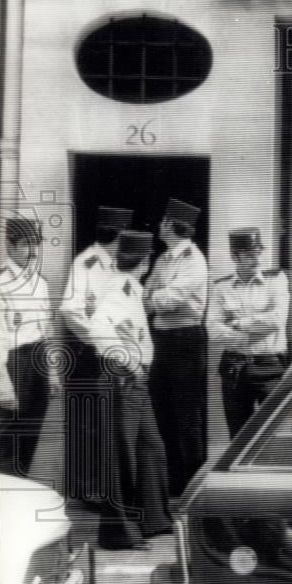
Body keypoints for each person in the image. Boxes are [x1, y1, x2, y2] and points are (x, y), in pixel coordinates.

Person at [88, 230, 171, 550]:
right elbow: (97, 328)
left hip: (134, 381)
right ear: (144, 261)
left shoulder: (132, 288)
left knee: (152, 448)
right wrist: (129, 362)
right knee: (120, 457)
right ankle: (117, 534)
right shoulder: (116, 288)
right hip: (121, 378)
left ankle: (155, 520)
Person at [59, 205, 133, 501]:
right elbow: (70, 309)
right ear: (117, 234)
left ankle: (102, 489)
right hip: (91, 352)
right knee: (88, 422)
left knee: (106, 422)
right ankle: (87, 491)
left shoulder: (116, 264)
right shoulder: (86, 263)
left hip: (110, 352)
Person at [144, 198, 208, 497]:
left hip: (186, 341)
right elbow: (150, 294)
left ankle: (193, 488)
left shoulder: (195, 260)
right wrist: (157, 298)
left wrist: (156, 299)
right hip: (161, 341)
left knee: (188, 418)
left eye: (162, 221)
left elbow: (173, 298)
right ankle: (171, 484)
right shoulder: (162, 260)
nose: (159, 225)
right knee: (161, 413)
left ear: (172, 225)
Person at [208, 227, 290, 437]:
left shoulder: (276, 279)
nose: (256, 260)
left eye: (258, 254)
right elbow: (212, 329)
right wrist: (249, 334)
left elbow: (278, 319)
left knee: (273, 433)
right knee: (238, 434)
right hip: (234, 368)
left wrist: (238, 323)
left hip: (269, 366)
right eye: (248, 256)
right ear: (234, 257)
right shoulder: (221, 287)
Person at [0, 218, 59, 477]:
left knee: (32, 429)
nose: (33, 251)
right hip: (12, 363)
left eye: (36, 244)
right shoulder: (1, 283)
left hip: (38, 361)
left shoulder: (40, 282)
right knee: (6, 432)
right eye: (25, 245)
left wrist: (53, 372)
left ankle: (21, 488)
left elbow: (46, 329)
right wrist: (3, 385)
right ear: (9, 246)